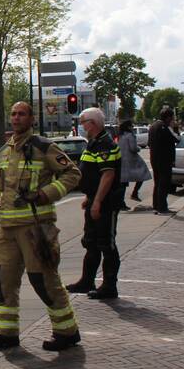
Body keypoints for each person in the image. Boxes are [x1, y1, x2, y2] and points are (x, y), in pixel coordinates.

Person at [0, 102, 82, 353]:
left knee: (43, 281)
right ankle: (6, 334)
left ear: (31, 119)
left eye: (21, 114)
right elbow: (1, 186)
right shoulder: (5, 151)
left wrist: (46, 194)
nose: (16, 118)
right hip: (7, 228)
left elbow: (72, 174)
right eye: (13, 113)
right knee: (1, 281)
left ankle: (66, 332)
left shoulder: (43, 147)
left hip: (35, 229)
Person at [67, 108, 123, 300]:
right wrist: (90, 197)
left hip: (106, 203)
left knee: (106, 244)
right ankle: (86, 281)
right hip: (95, 199)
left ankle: (109, 286)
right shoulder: (95, 143)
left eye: (83, 122)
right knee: (90, 242)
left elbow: (108, 175)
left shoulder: (105, 144)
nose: (81, 126)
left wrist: (97, 201)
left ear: (93, 123)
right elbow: (94, 174)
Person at [148, 107, 180, 214]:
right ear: (168, 117)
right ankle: (162, 207)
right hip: (165, 160)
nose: (173, 120)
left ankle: (156, 205)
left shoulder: (152, 126)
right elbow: (176, 139)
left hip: (154, 158)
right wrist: (175, 128)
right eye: (172, 118)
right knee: (164, 184)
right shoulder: (164, 127)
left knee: (157, 183)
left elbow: (149, 143)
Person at [118, 120, 151, 209]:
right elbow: (133, 148)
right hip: (131, 160)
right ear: (128, 127)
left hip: (121, 160)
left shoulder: (120, 135)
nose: (133, 127)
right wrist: (138, 148)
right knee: (143, 174)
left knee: (123, 182)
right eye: (131, 126)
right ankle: (135, 193)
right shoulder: (130, 135)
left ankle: (121, 202)